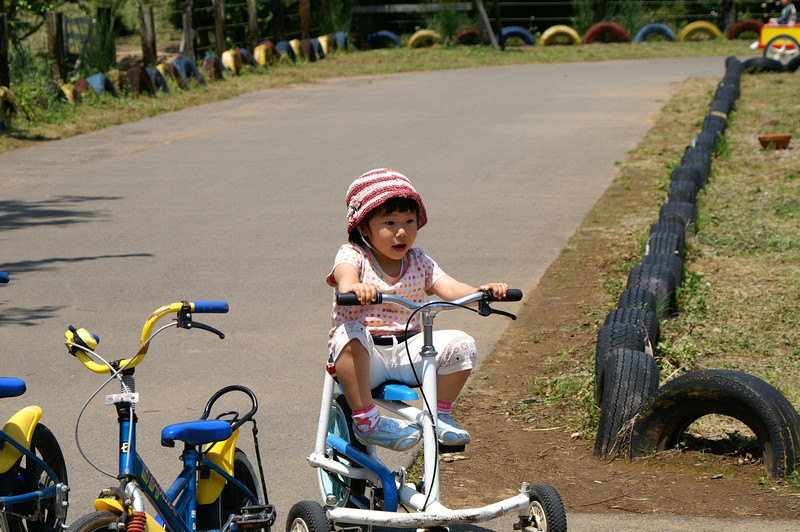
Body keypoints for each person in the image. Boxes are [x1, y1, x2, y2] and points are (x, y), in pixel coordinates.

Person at [326, 168, 509, 451]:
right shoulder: (354, 255)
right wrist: (355, 288)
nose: (401, 232)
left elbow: (451, 288)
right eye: (389, 222)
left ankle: (439, 416)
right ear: (364, 228)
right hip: (366, 358)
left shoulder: (418, 260)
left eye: (409, 221)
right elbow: (345, 278)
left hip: (407, 352)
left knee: (462, 343)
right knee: (349, 334)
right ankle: (367, 422)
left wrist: (482, 293)